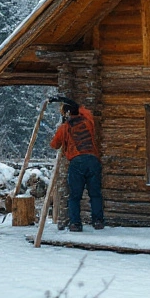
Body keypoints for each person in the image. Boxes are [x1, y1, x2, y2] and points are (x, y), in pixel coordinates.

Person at [48, 95, 104, 232]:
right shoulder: (88, 120)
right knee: (95, 194)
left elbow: (54, 144)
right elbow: (82, 109)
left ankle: (75, 224)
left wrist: (62, 124)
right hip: (93, 160)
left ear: (66, 114)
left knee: (75, 195)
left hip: (77, 162)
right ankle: (98, 221)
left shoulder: (65, 128)